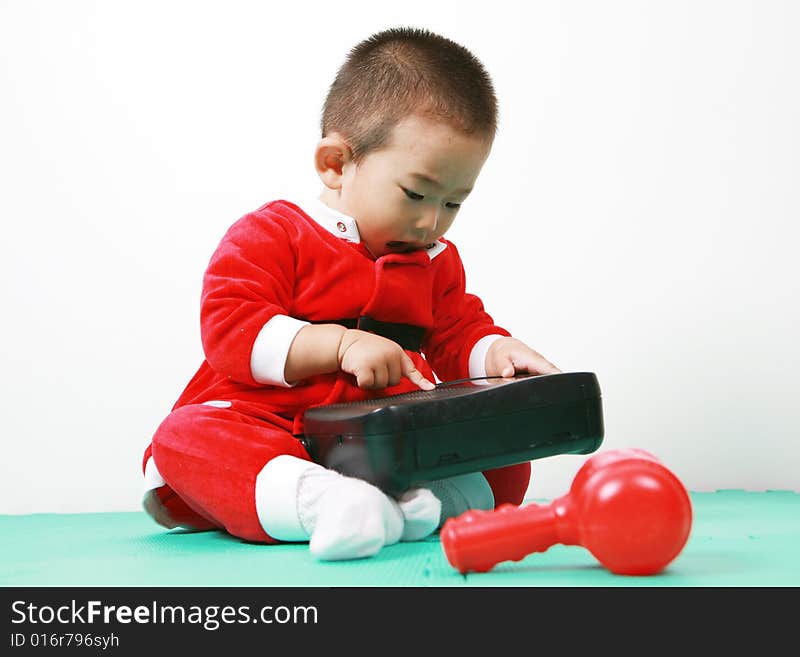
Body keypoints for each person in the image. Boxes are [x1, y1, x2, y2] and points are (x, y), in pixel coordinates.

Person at [142, 26, 560, 561]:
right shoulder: (274, 234)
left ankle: (419, 505)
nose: (432, 221)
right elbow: (230, 328)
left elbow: (457, 331)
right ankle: (325, 503)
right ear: (335, 164)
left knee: (507, 450)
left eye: (454, 203)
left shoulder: (433, 260)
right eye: (416, 193)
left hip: (381, 433)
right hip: (271, 426)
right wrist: (339, 345)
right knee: (183, 435)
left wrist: (496, 354)